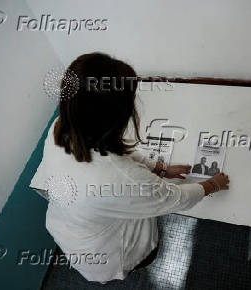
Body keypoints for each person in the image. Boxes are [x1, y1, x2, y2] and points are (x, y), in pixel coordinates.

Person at [30, 52, 229, 283]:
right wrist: (212, 184)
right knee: (146, 247)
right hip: (110, 252)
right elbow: (175, 198)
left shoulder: (62, 127)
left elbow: (111, 152)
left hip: (68, 228)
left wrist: (160, 168)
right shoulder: (122, 180)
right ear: (113, 117)